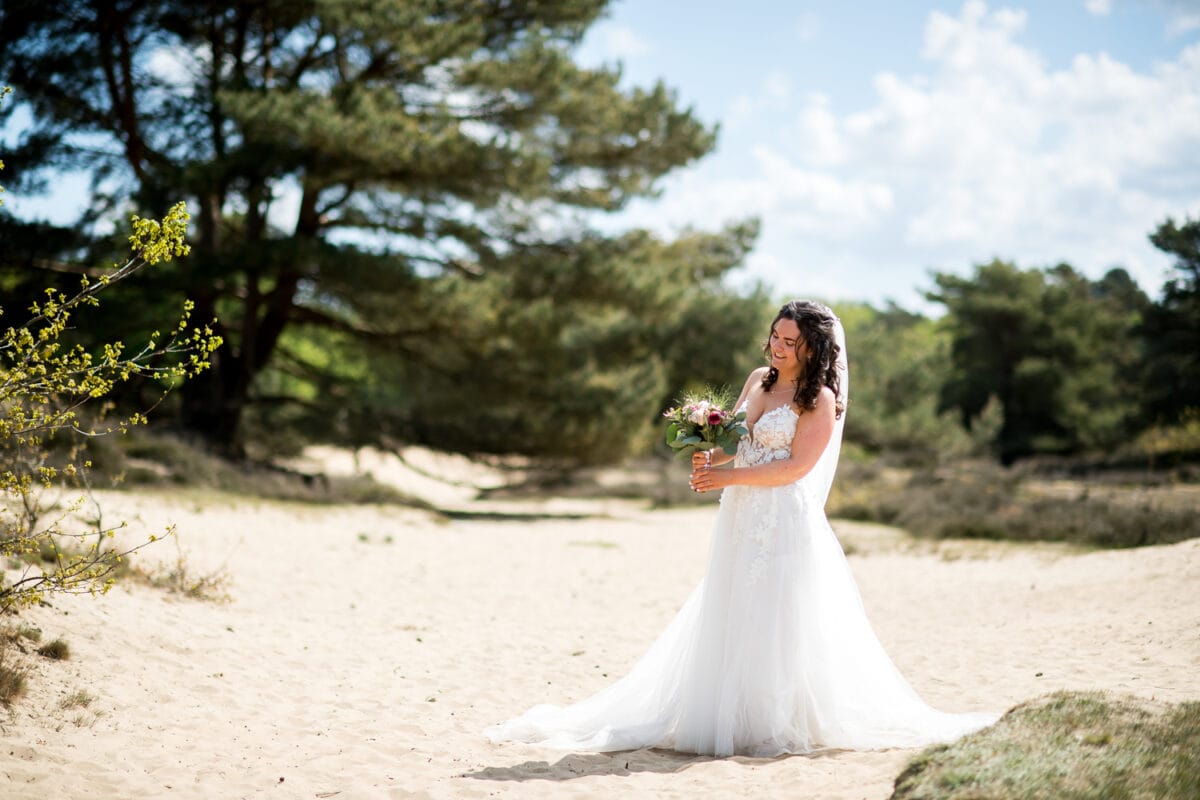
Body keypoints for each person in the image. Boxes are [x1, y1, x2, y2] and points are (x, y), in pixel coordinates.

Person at [485, 300, 998, 756]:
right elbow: (734, 438)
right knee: (731, 604)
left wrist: (730, 476)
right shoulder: (759, 380)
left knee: (775, 612)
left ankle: (769, 722)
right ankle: (725, 713)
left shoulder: (816, 399)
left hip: (782, 518)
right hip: (739, 513)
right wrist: (707, 453)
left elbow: (796, 467)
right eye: (775, 336)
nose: (777, 347)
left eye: (790, 342)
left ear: (813, 348)